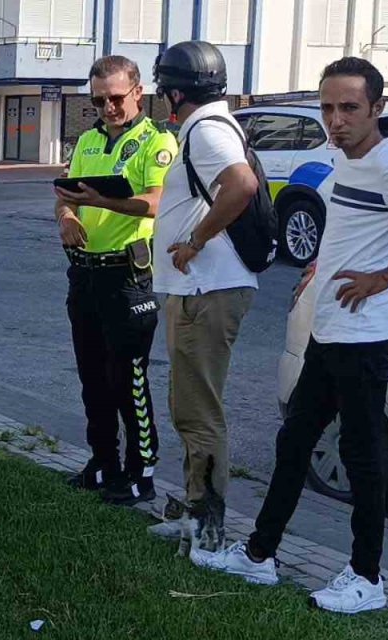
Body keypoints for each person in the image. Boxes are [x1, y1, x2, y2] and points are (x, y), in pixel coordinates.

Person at [200, 57, 388, 615]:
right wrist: (321, 266)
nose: (337, 118)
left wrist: (385, 277)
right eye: (328, 107)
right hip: (330, 330)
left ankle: (367, 578)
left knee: (361, 458)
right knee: (294, 445)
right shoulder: (340, 157)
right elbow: (352, 223)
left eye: (350, 108)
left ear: (376, 109)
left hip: (366, 337)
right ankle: (259, 556)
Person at [148, 41, 260, 554]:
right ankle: (195, 511)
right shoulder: (208, 125)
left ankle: (210, 531)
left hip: (207, 290)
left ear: (173, 91)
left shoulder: (208, 130)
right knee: (188, 407)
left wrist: (194, 241)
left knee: (200, 412)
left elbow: (241, 184)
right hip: (199, 290)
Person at [55, 56, 179, 506]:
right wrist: (68, 214)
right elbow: (65, 192)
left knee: (128, 377)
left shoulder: (156, 142)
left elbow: (155, 202)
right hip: (84, 273)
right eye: (98, 100)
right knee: (92, 376)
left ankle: (140, 472)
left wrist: (99, 199)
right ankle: (102, 461)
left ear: (138, 93)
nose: (107, 107)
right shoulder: (87, 139)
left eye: (115, 98)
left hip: (127, 276)